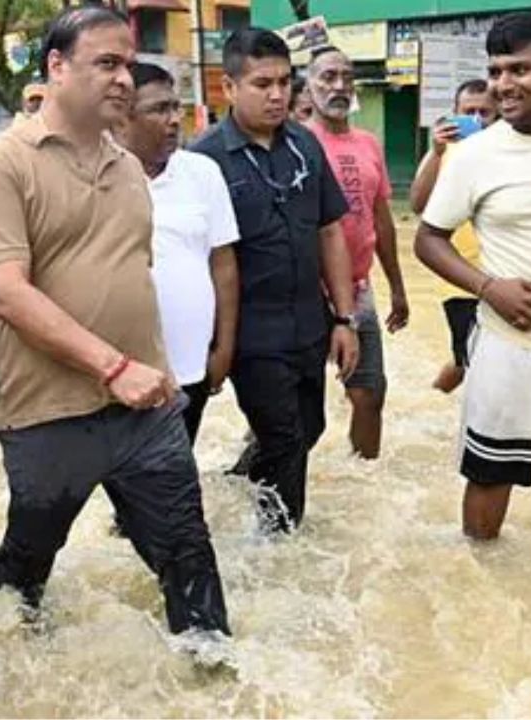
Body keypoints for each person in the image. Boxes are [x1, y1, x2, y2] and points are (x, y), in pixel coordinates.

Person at [0, 5, 230, 642]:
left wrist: (164, 367)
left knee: (187, 554)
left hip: (145, 410)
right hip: (49, 414)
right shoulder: (2, 165)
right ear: (56, 67)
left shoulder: (129, 168)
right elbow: (4, 289)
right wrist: (112, 366)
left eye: (128, 65)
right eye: (106, 63)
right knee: (31, 558)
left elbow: (129, 276)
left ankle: (215, 679)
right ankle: (14, 656)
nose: (124, 80)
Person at [190, 28, 357, 535]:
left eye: (285, 82)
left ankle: (246, 475)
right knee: (285, 439)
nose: (278, 94)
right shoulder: (203, 161)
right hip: (250, 335)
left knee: (312, 428)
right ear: (229, 88)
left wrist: (345, 318)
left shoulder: (305, 144)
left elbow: (331, 232)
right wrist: (216, 347)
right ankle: (277, 545)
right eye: (262, 83)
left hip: (311, 322)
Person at [414, 12, 531, 541]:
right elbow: (427, 239)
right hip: (511, 344)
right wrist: (488, 287)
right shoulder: (473, 156)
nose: (504, 84)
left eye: (520, 69)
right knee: (489, 477)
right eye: (496, 71)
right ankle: (484, 576)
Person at [113, 61, 239, 444]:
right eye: (158, 110)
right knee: (138, 485)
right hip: (119, 371)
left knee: (176, 473)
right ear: (122, 118)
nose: (173, 120)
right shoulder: (96, 178)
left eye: (176, 108)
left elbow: (224, 266)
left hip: (190, 369)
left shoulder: (202, 173)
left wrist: (223, 348)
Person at [306, 46, 409, 459]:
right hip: (304, 294)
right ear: (308, 83)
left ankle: (363, 482)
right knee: (290, 408)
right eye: (328, 77)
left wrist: (398, 288)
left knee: (369, 395)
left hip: (359, 291)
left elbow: (381, 219)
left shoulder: (368, 143)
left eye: (347, 77)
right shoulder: (295, 141)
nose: (339, 86)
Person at [408, 78, 498, 395]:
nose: (476, 120)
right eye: (468, 112)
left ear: (499, 113)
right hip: (459, 278)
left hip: (508, 274)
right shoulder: (444, 154)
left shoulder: (511, 151)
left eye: (484, 113)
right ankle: (438, 410)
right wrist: (436, 152)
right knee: (474, 361)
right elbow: (417, 205)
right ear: (454, 114)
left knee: (477, 361)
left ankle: (432, 403)